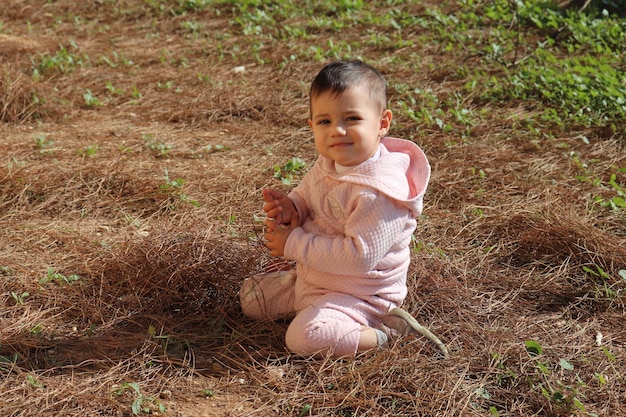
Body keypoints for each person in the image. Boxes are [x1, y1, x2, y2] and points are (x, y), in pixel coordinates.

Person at [239, 59, 448, 359]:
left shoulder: (379, 192)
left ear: (382, 123)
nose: (337, 130)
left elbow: (359, 258)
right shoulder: (329, 163)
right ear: (312, 127)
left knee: (304, 337)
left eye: (351, 118)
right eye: (325, 121)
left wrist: (293, 244)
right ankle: (316, 310)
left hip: (360, 294)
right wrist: (291, 207)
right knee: (251, 297)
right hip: (316, 279)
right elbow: (308, 196)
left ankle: (386, 334)